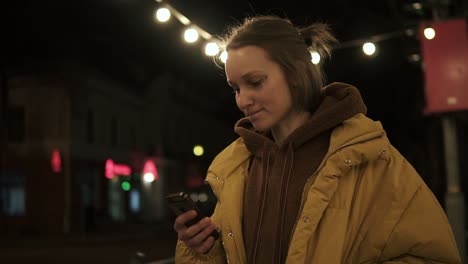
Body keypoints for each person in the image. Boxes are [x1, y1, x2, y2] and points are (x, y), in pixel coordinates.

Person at [173, 15, 462, 263]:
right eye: (235, 88)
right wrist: (202, 250)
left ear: (295, 73)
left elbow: (432, 256)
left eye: (255, 82)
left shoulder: (368, 156)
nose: (242, 100)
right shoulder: (235, 167)